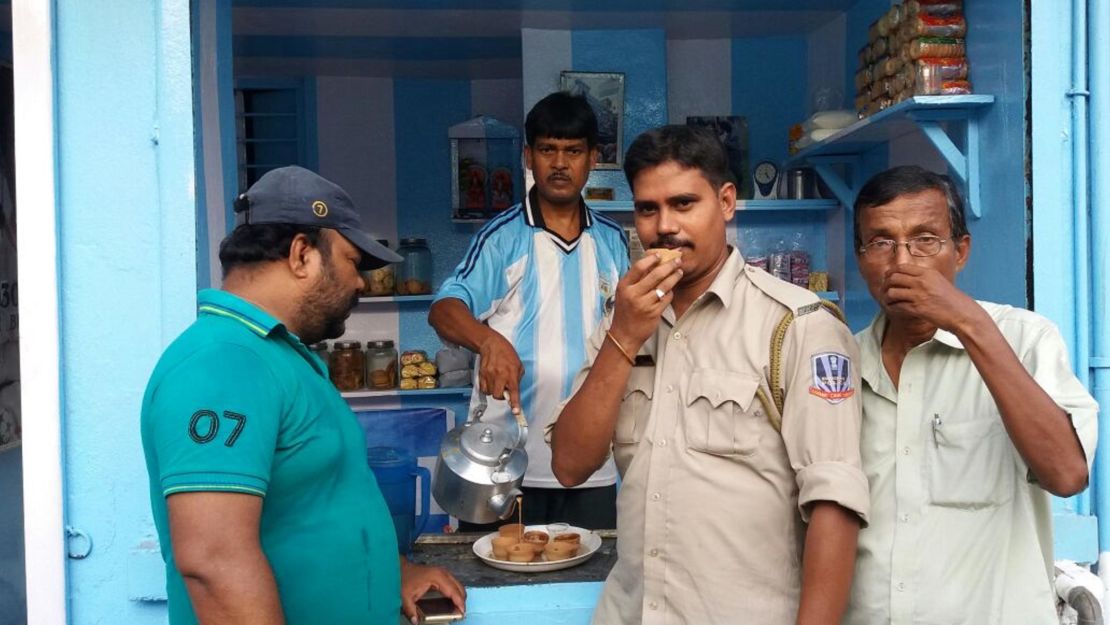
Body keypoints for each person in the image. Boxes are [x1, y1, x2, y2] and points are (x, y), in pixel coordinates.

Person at [550, 125, 869, 624]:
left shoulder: (797, 325)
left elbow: (835, 504)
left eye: (683, 204)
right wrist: (625, 337)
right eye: (647, 209)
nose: (664, 227)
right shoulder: (624, 319)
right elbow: (570, 464)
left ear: (725, 202)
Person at [140, 166, 466, 625]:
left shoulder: (281, 356)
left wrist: (397, 572)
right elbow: (213, 562)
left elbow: (323, 497)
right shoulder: (222, 361)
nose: (360, 283)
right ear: (301, 255)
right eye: (353, 262)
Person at [844, 165, 1098, 625]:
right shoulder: (842, 364)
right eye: (881, 242)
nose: (902, 261)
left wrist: (968, 322)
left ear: (960, 252)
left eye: (925, 239)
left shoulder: (1024, 339)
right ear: (861, 258)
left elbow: (1066, 474)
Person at [429, 92, 629, 530]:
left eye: (573, 151)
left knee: (589, 588)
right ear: (528, 156)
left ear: (592, 158)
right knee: (495, 584)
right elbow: (444, 307)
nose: (560, 163)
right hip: (503, 465)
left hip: (591, 465)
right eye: (547, 150)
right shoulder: (502, 238)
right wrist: (489, 340)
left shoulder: (614, 242)